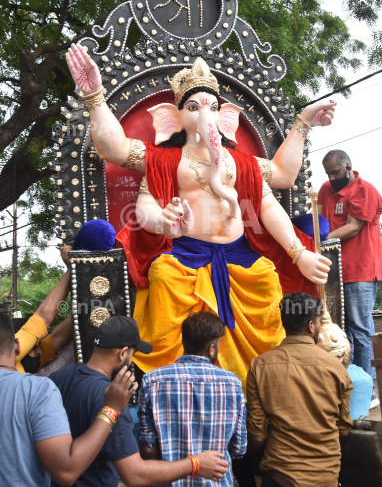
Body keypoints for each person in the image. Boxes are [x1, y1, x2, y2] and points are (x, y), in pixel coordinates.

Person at [66, 44, 333, 389]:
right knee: (163, 275)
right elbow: (116, 155)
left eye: (211, 105)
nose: (204, 112)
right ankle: (174, 384)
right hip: (185, 253)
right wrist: (95, 96)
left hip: (240, 254)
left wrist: (298, 252)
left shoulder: (243, 164)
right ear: (173, 117)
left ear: (225, 117)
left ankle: (263, 382)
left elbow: (276, 189)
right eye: (193, 106)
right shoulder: (164, 160)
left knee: (267, 277)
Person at [50, 315, 228, 487]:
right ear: (123, 353)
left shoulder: (60, 376)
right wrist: (195, 464)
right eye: (133, 353)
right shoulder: (111, 400)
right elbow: (134, 475)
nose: (131, 360)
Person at [0, 311, 138, 487]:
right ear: (18, 346)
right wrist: (111, 409)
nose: (39, 351)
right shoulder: (34, 390)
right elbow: (66, 471)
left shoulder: (59, 376)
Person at [246, 292, 353, 487]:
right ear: (311, 326)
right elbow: (343, 428)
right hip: (326, 476)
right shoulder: (337, 368)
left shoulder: (258, 366)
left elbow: (258, 435)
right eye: (319, 321)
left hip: (279, 477)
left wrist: (237, 456)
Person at [138, 311, 246, 487]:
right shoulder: (233, 384)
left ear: (184, 341)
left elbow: (148, 449)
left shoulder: (152, 381)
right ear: (212, 348)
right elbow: (238, 449)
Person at [318, 149, 382, 408]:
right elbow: (318, 216)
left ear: (348, 167)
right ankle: (349, 385)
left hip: (361, 269)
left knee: (360, 328)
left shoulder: (365, 190)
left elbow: (354, 226)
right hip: (334, 269)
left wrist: (320, 239)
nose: (332, 178)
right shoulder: (325, 188)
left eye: (335, 172)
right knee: (338, 330)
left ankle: (367, 391)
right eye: (328, 174)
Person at [14, 245, 72, 373]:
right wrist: (71, 268)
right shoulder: (11, 360)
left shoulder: (27, 362)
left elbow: (60, 335)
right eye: (34, 347)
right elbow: (44, 316)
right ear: (17, 346)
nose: (40, 351)